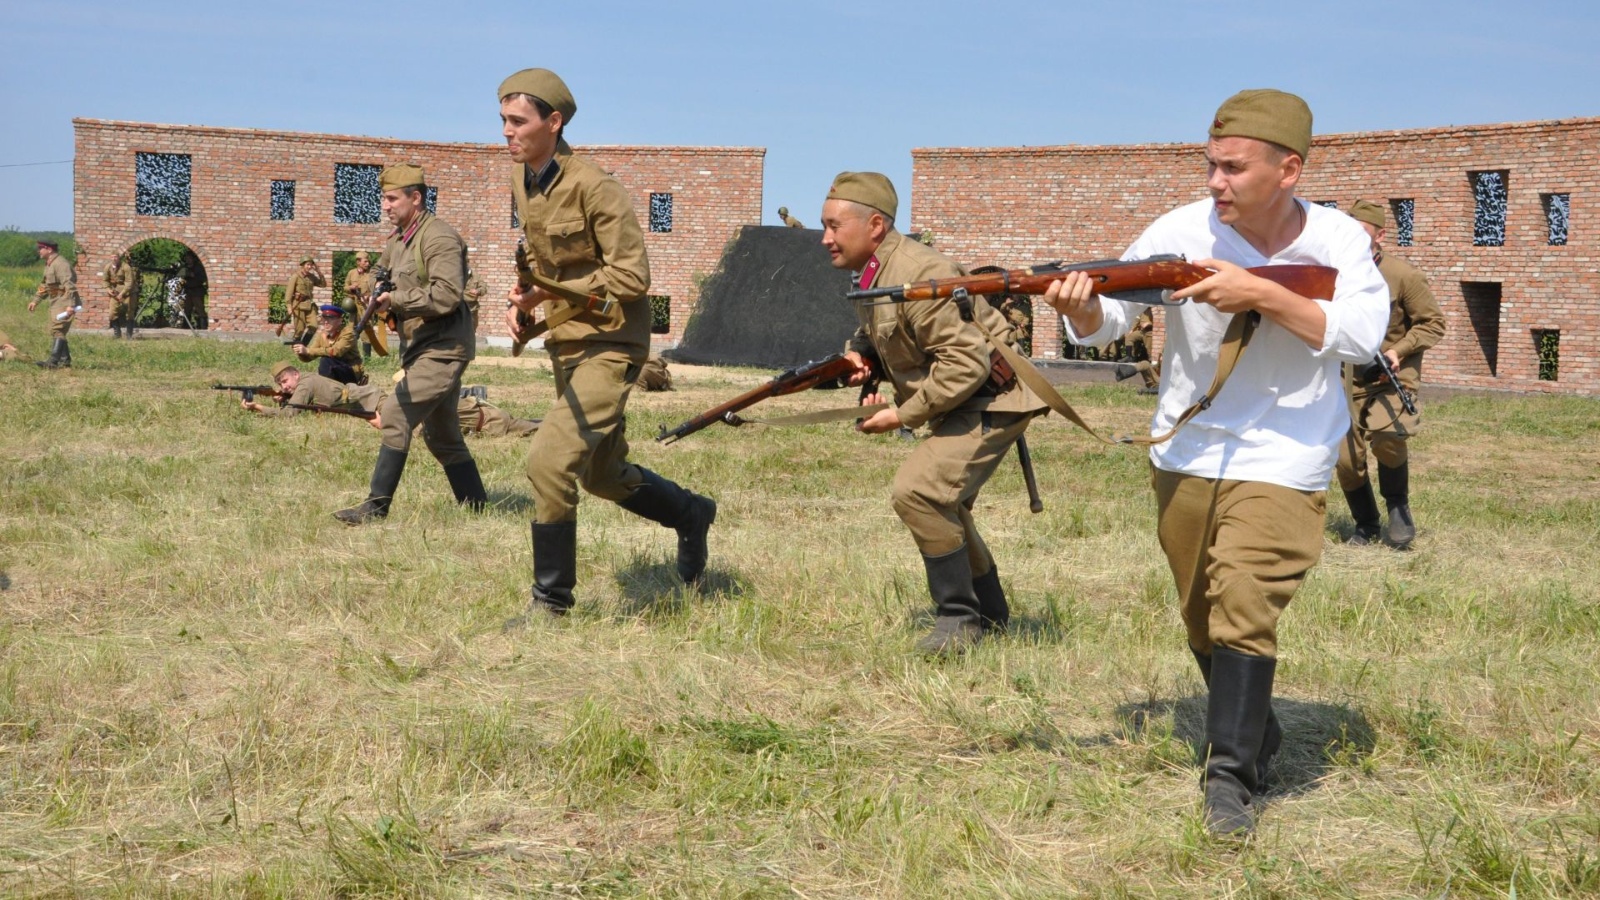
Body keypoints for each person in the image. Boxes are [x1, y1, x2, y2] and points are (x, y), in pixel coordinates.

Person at [1045, 89, 1389, 835]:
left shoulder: (1336, 240)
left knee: (1242, 597)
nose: (1215, 182)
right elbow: (1112, 318)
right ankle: (1254, 727)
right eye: (1211, 165)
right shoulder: (1178, 230)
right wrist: (1077, 308)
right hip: (1188, 446)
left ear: (1288, 170)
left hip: (1288, 451)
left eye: (1232, 168)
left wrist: (1258, 291)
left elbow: (1361, 335)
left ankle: (1229, 777)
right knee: (1201, 612)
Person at [500, 67, 716, 619]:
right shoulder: (521, 181)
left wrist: (547, 292)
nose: (507, 131)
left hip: (612, 343)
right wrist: (528, 304)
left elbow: (630, 279)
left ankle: (551, 602)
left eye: (517, 121)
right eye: (503, 120)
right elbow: (547, 266)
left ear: (553, 122)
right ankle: (691, 514)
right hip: (567, 344)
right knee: (601, 474)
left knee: (549, 461)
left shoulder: (596, 187)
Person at [822, 172, 1045, 655]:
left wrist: (902, 416)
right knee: (944, 502)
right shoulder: (874, 273)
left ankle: (958, 618)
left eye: (834, 226)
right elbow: (888, 333)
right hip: (963, 398)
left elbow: (966, 362)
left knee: (919, 492)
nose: (825, 238)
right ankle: (991, 614)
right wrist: (863, 358)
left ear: (875, 225)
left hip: (993, 397)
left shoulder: (919, 272)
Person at [332, 164, 488, 524]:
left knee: (396, 414)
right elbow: (381, 278)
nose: (384, 206)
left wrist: (396, 300)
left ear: (415, 198)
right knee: (442, 434)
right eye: (383, 198)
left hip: (445, 347)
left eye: (391, 198)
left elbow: (448, 295)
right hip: (418, 346)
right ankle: (477, 506)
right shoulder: (398, 239)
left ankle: (375, 508)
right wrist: (371, 290)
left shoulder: (440, 239)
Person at [1336, 199, 1446, 549]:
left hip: (1390, 376)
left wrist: (1397, 351)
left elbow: (1433, 324)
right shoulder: (1331, 274)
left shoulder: (1403, 276)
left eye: (1362, 233)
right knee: (1346, 459)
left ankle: (1398, 508)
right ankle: (1366, 524)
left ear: (1380, 235)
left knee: (1387, 436)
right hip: (1342, 377)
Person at [245, 363, 540, 436]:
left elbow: (292, 414)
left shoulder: (306, 382)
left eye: (285, 381)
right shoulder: (306, 381)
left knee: (528, 427)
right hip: (481, 419)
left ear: (295, 375)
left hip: (490, 422)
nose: (284, 385)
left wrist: (262, 409)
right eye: (280, 384)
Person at [28, 239, 80, 369]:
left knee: (58, 329)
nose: (38, 251)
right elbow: (45, 285)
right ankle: (65, 360)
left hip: (65, 301)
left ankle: (53, 362)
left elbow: (70, 285)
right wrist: (36, 300)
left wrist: (71, 305)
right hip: (56, 302)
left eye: (41, 248)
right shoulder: (49, 264)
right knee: (57, 331)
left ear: (49, 249)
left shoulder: (61, 264)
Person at [293, 303, 365, 385]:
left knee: (326, 360)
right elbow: (309, 357)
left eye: (331, 318)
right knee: (325, 362)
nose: (326, 322)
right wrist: (301, 352)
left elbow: (336, 351)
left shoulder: (348, 333)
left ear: (340, 321)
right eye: (324, 318)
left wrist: (308, 350)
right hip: (333, 371)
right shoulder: (322, 335)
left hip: (351, 372)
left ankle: (327, 390)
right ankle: (328, 391)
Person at [283, 255, 326, 341]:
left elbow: (323, 285)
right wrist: (289, 307)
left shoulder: (311, 277)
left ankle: (304, 345)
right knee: (300, 329)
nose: (309, 267)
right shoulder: (296, 276)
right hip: (298, 305)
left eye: (311, 265)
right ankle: (296, 344)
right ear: (302, 265)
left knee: (314, 326)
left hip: (309, 305)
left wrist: (318, 272)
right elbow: (289, 292)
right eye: (307, 265)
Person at [344, 250, 378, 357]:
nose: (368, 264)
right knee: (350, 330)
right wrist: (350, 287)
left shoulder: (371, 275)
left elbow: (376, 289)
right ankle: (348, 354)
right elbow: (345, 287)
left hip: (366, 306)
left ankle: (367, 358)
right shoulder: (351, 273)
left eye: (368, 262)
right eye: (365, 262)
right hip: (354, 305)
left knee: (367, 331)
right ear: (358, 262)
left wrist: (369, 296)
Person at [104, 250, 140, 338]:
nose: (114, 259)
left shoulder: (126, 267)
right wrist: (108, 289)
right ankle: (117, 333)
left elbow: (129, 282)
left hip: (129, 292)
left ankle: (129, 335)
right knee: (112, 313)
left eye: (115, 257)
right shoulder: (108, 267)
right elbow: (105, 280)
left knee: (129, 313)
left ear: (119, 258)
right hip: (115, 292)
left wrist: (122, 293)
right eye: (112, 257)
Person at [463, 265, 489, 332]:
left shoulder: (476, 276)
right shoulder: (456, 275)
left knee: (471, 329)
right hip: (458, 307)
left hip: (471, 308)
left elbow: (484, 288)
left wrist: (478, 291)